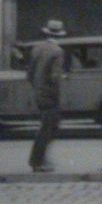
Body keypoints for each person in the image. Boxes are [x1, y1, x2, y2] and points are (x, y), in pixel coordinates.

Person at [27, 19, 67, 172]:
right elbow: (55, 77)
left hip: (39, 93)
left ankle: (41, 159)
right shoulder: (57, 51)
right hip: (50, 96)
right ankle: (37, 161)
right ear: (60, 36)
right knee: (49, 128)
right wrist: (57, 97)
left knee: (49, 126)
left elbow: (29, 74)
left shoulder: (36, 49)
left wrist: (38, 89)